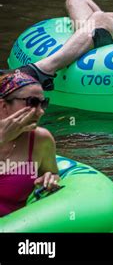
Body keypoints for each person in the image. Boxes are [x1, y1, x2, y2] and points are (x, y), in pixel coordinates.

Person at [0, 72, 59, 217]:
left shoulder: (41, 139)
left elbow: (52, 172)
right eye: (32, 103)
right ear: (3, 106)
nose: (40, 112)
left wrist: (50, 178)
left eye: (43, 103)